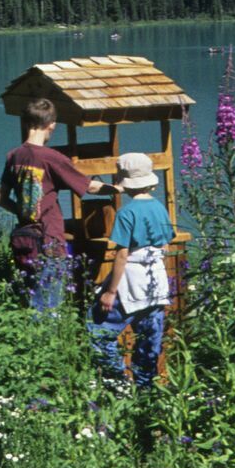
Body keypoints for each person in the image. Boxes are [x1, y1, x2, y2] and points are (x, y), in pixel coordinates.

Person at [0, 98, 99, 309]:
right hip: (49, 241)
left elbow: (1, 198)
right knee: (48, 306)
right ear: (51, 124)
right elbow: (89, 187)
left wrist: (24, 212)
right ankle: (46, 339)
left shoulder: (14, 156)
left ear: (26, 122)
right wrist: (120, 189)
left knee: (31, 300)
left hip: (24, 240)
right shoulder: (50, 157)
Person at [89, 151, 173, 392]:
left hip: (130, 281)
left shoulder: (127, 212)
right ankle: (146, 391)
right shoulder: (160, 208)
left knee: (99, 329)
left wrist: (109, 291)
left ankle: (117, 383)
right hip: (156, 281)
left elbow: (123, 254)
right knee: (149, 340)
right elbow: (166, 242)